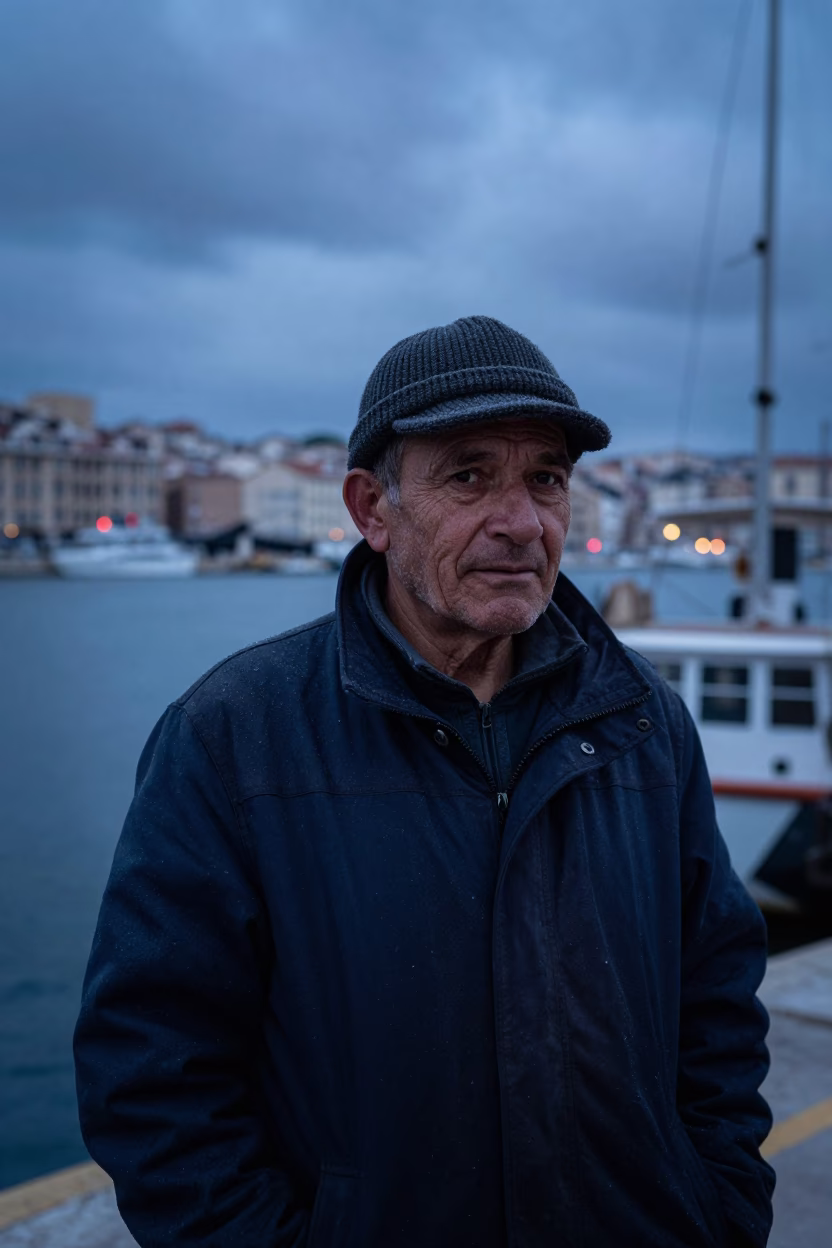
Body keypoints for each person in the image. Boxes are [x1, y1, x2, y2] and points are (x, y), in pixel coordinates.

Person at [74, 316, 774, 1247]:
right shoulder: (233, 735)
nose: (521, 522)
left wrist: (718, 1208)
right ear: (372, 509)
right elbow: (152, 1073)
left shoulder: (644, 722)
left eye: (546, 480)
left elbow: (717, 999)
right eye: (469, 476)